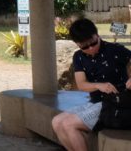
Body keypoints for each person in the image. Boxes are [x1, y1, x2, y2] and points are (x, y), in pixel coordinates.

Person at [52, 18, 131, 151]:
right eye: (84, 46)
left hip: (114, 104)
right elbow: (82, 84)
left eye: (93, 43)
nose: (91, 48)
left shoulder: (115, 50)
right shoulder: (79, 57)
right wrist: (99, 85)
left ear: (97, 35)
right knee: (56, 122)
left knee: (68, 125)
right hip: (94, 102)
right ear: (77, 44)